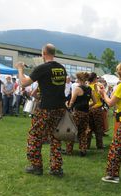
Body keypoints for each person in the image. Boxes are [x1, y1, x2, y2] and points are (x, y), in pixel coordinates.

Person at [15, 43, 67, 177]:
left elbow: (24, 83)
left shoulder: (42, 68)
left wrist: (20, 69)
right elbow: (50, 85)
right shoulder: (62, 68)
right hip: (60, 108)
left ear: (43, 53)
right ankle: (56, 169)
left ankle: (36, 166)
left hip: (45, 108)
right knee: (55, 138)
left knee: (35, 135)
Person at [65, 72, 96, 156]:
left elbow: (72, 101)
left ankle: (69, 150)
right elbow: (95, 102)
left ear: (79, 79)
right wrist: (88, 106)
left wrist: (68, 106)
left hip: (77, 113)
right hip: (86, 113)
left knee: (72, 131)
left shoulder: (77, 89)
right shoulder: (90, 89)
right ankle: (83, 150)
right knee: (83, 132)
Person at [87, 72, 105, 150]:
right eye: (96, 78)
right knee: (98, 128)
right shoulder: (97, 86)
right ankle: (99, 145)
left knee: (89, 128)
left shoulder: (87, 87)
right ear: (94, 79)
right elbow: (102, 95)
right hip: (97, 109)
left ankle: (87, 145)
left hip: (89, 109)